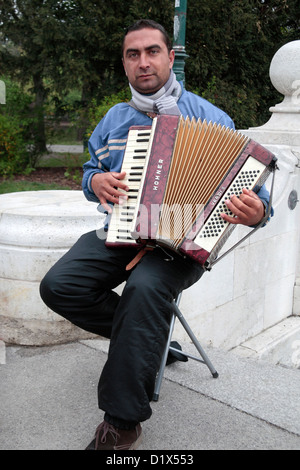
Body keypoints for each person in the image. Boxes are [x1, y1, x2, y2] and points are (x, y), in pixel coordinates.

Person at [40, 19, 272, 450]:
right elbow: (93, 170)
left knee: (145, 290)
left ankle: (122, 423)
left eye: (151, 51)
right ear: (125, 64)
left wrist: (257, 212)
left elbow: (257, 196)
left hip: (181, 245)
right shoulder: (113, 119)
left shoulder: (211, 118)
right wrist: (95, 183)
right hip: (122, 229)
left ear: (170, 57)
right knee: (59, 286)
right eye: (133, 54)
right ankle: (151, 341)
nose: (143, 62)